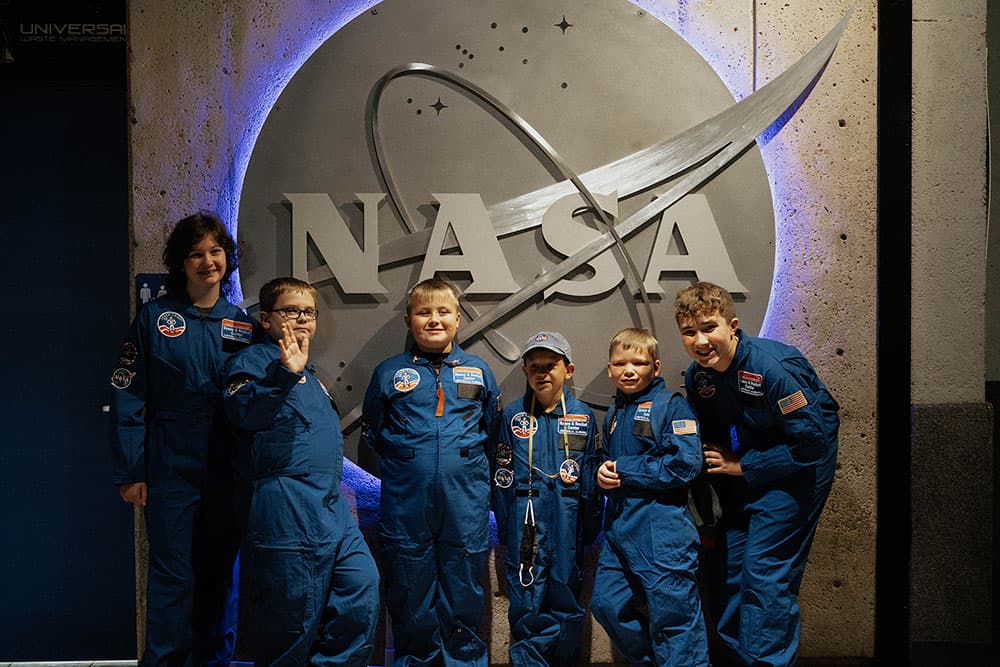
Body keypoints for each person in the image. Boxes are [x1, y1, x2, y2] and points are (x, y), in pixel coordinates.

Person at [110, 210, 258, 666]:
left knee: (220, 574)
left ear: (227, 257)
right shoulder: (154, 320)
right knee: (173, 576)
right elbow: (129, 395)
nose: (207, 261)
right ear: (180, 262)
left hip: (226, 469)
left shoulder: (243, 326)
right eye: (196, 254)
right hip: (170, 467)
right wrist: (132, 469)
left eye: (216, 251)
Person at [674, 282, 839, 667]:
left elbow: (811, 444)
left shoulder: (771, 368)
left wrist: (743, 465)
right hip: (747, 463)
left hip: (799, 467)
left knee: (765, 572)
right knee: (729, 571)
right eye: (689, 332)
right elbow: (710, 433)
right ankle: (742, 659)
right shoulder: (699, 377)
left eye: (709, 328)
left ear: (732, 327)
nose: (701, 341)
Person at [222, 277, 379, 666]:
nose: (303, 318)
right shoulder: (251, 362)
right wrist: (283, 374)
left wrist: (295, 370)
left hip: (330, 507)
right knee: (292, 620)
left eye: (309, 312)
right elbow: (243, 412)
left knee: (361, 589)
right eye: (291, 310)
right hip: (285, 506)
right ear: (266, 319)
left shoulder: (311, 373)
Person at [361, 277, 501, 667]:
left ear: (458, 318)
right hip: (406, 502)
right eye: (424, 312)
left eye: (443, 312)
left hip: (465, 502)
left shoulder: (478, 371)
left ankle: (464, 661)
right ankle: (415, 661)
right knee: (409, 588)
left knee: (464, 588)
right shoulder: (389, 372)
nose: (434, 320)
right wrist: (405, 470)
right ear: (409, 320)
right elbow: (372, 433)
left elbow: (491, 432)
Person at [591, 328, 710, 667]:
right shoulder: (614, 413)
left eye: (639, 363)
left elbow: (686, 464)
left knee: (675, 621)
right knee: (606, 604)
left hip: (662, 532)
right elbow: (609, 462)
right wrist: (602, 474)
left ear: (655, 367)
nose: (629, 370)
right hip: (619, 531)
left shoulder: (672, 406)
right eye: (620, 363)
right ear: (610, 369)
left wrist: (624, 469)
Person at [492, 331, 601, 667]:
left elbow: (590, 480)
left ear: (568, 369)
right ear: (524, 370)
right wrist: (508, 528)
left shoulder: (583, 416)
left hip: (569, 522)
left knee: (567, 597)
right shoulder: (512, 416)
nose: (542, 373)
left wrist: (588, 529)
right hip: (525, 521)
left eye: (550, 365)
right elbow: (502, 477)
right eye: (534, 366)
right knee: (527, 598)